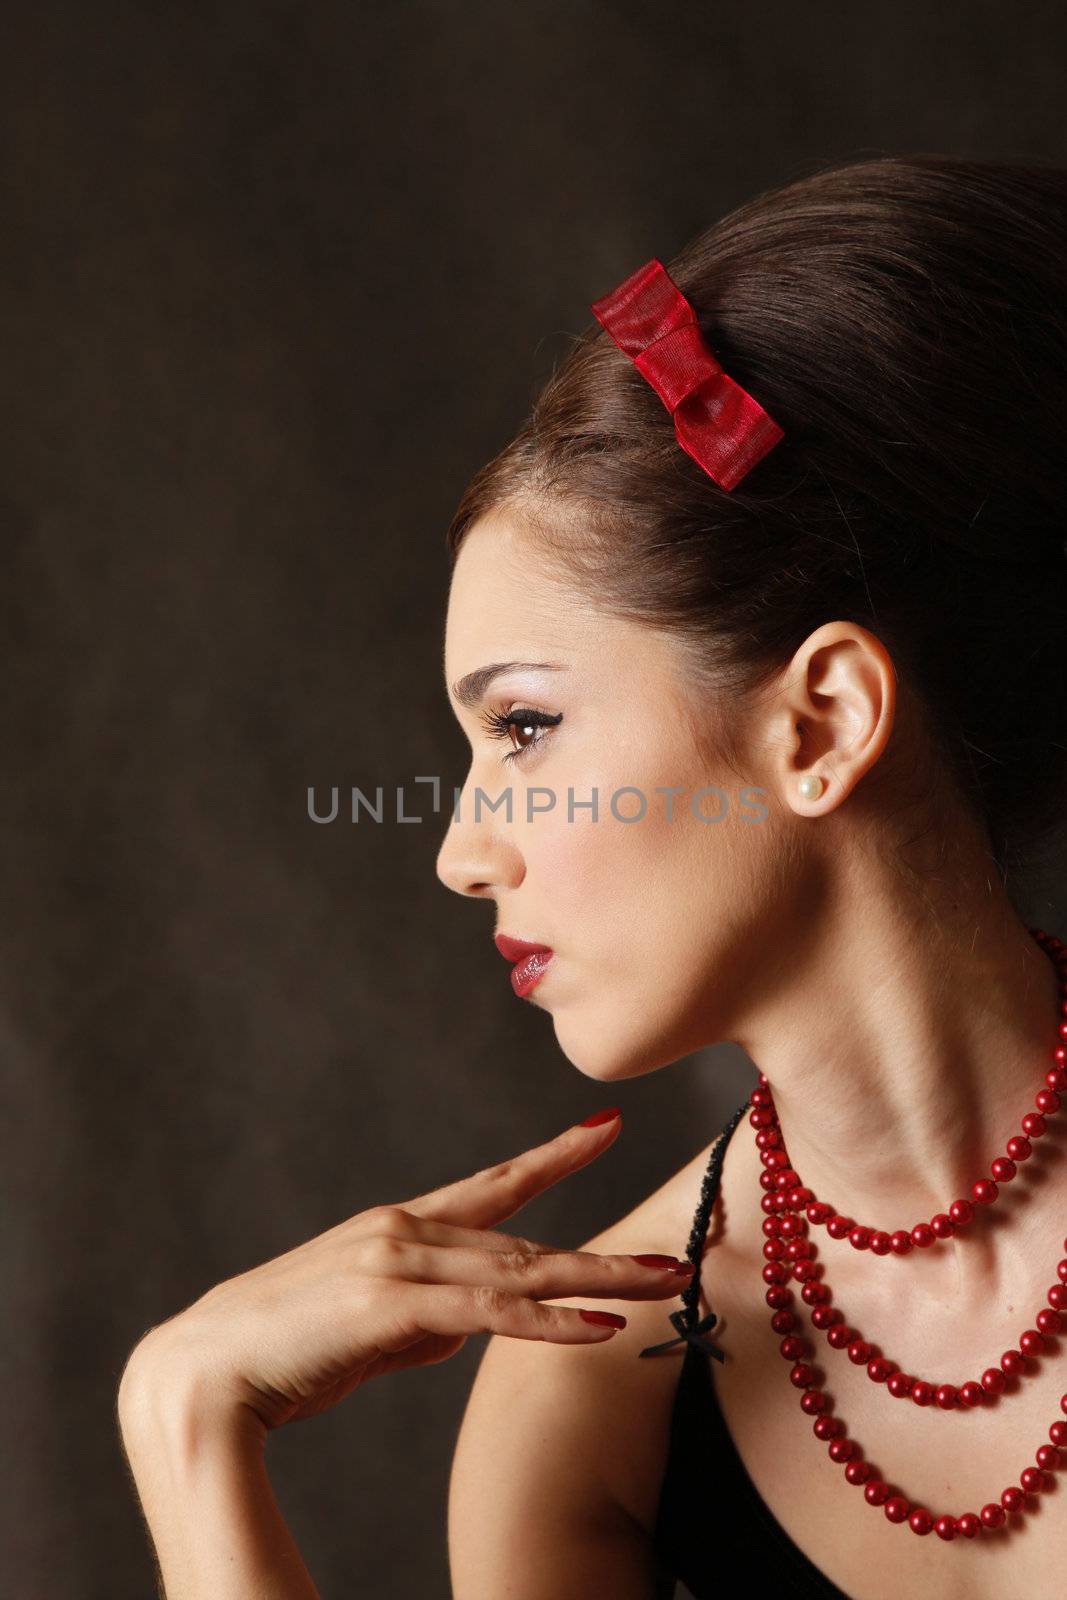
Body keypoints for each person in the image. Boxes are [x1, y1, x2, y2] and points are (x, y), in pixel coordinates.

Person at [117, 154, 1067, 1598]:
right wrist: (184, 1416)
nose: (456, 850)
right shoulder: (591, 1393)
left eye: (526, 729)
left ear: (822, 723)